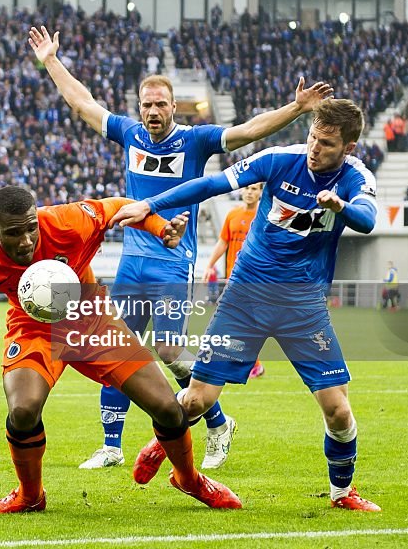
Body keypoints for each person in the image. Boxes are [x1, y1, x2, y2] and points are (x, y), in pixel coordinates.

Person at [28, 25, 333, 471]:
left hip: (174, 261)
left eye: (160, 105)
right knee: (115, 347)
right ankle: (111, 445)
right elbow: (82, 103)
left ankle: (217, 422)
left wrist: (297, 108)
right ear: (140, 107)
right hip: (133, 260)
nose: (152, 112)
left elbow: (248, 131)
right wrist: (51, 60)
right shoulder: (129, 135)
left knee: (170, 352)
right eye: (146, 105)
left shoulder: (195, 140)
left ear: (174, 107)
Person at [0, 187, 241, 514]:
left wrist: (158, 227)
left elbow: (119, 208)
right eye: (14, 233)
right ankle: (30, 496)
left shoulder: (68, 221)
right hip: (32, 329)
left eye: (31, 230)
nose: (26, 241)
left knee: (169, 409)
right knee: (22, 409)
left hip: (91, 318)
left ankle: (188, 480)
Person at [112, 98, 381, 511]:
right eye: (312, 137)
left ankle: (342, 494)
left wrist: (340, 206)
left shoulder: (355, 177)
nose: (314, 148)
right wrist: (151, 204)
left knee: (338, 410)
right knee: (197, 399)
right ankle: (164, 441)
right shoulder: (278, 159)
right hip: (246, 297)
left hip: (302, 306)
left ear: (349, 147)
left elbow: (366, 218)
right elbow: (211, 185)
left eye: (326, 143)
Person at [203, 182, 265, 382]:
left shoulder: (264, 217)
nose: (249, 192)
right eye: (247, 188)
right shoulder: (232, 215)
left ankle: (249, 364)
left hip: (255, 280)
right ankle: (252, 364)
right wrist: (209, 265)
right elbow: (223, 242)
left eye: (254, 189)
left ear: (260, 193)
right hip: (234, 279)